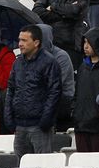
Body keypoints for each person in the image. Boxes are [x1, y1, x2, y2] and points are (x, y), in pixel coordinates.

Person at [6, 25, 62, 155]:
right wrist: (9, 119)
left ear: (36, 42)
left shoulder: (49, 62)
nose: (20, 44)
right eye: (19, 40)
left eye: (24, 40)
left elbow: (55, 93)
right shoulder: (17, 63)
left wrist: (45, 122)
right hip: (19, 125)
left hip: (39, 126)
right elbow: (11, 90)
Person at [73, 28, 99, 152]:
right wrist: (74, 111)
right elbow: (76, 92)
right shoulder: (82, 66)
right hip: (80, 125)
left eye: (89, 43)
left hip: (98, 127)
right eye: (84, 43)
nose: (85, 46)